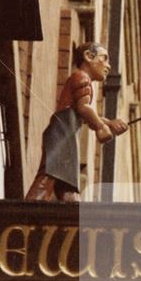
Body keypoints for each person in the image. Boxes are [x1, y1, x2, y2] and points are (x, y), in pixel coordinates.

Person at [26, 42, 128, 201]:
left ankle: (74, 212)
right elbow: (83, 108)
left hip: (66, 132)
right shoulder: (81, 77)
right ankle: (30, 209)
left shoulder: (82, 79)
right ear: (88, 56)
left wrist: (109, 123)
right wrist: (100, 127)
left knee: (67, 183)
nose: (108, 65)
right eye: (104, 58)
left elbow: (83, 113)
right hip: (63, 133)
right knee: (51, 174)